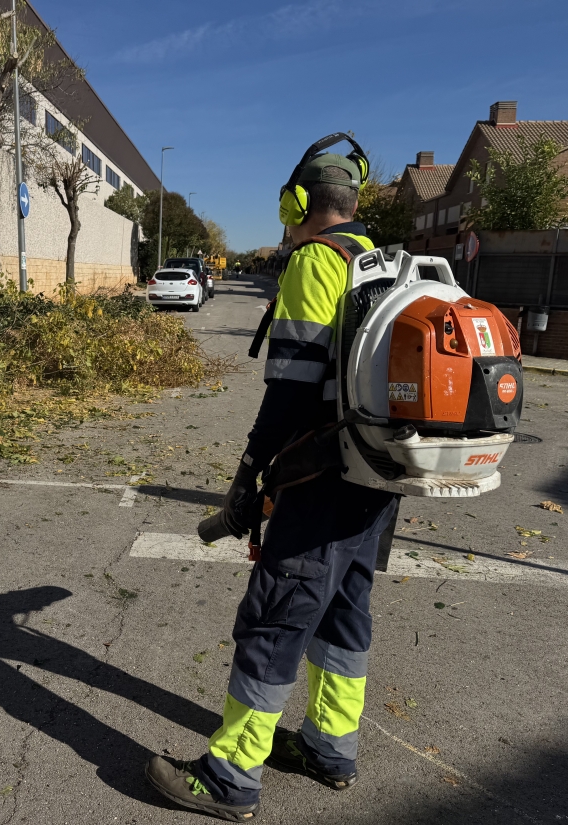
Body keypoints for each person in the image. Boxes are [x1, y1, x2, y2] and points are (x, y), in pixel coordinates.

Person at [145, 142, 400, 821]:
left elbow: (290, 388)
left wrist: (249, 471)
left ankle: (230, 776)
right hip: (377, 477)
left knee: (276, 617)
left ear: (298, 202)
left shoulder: (317, 260)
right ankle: (329, 747)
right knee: (344, 611)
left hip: (322, 476)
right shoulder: (381, 259)